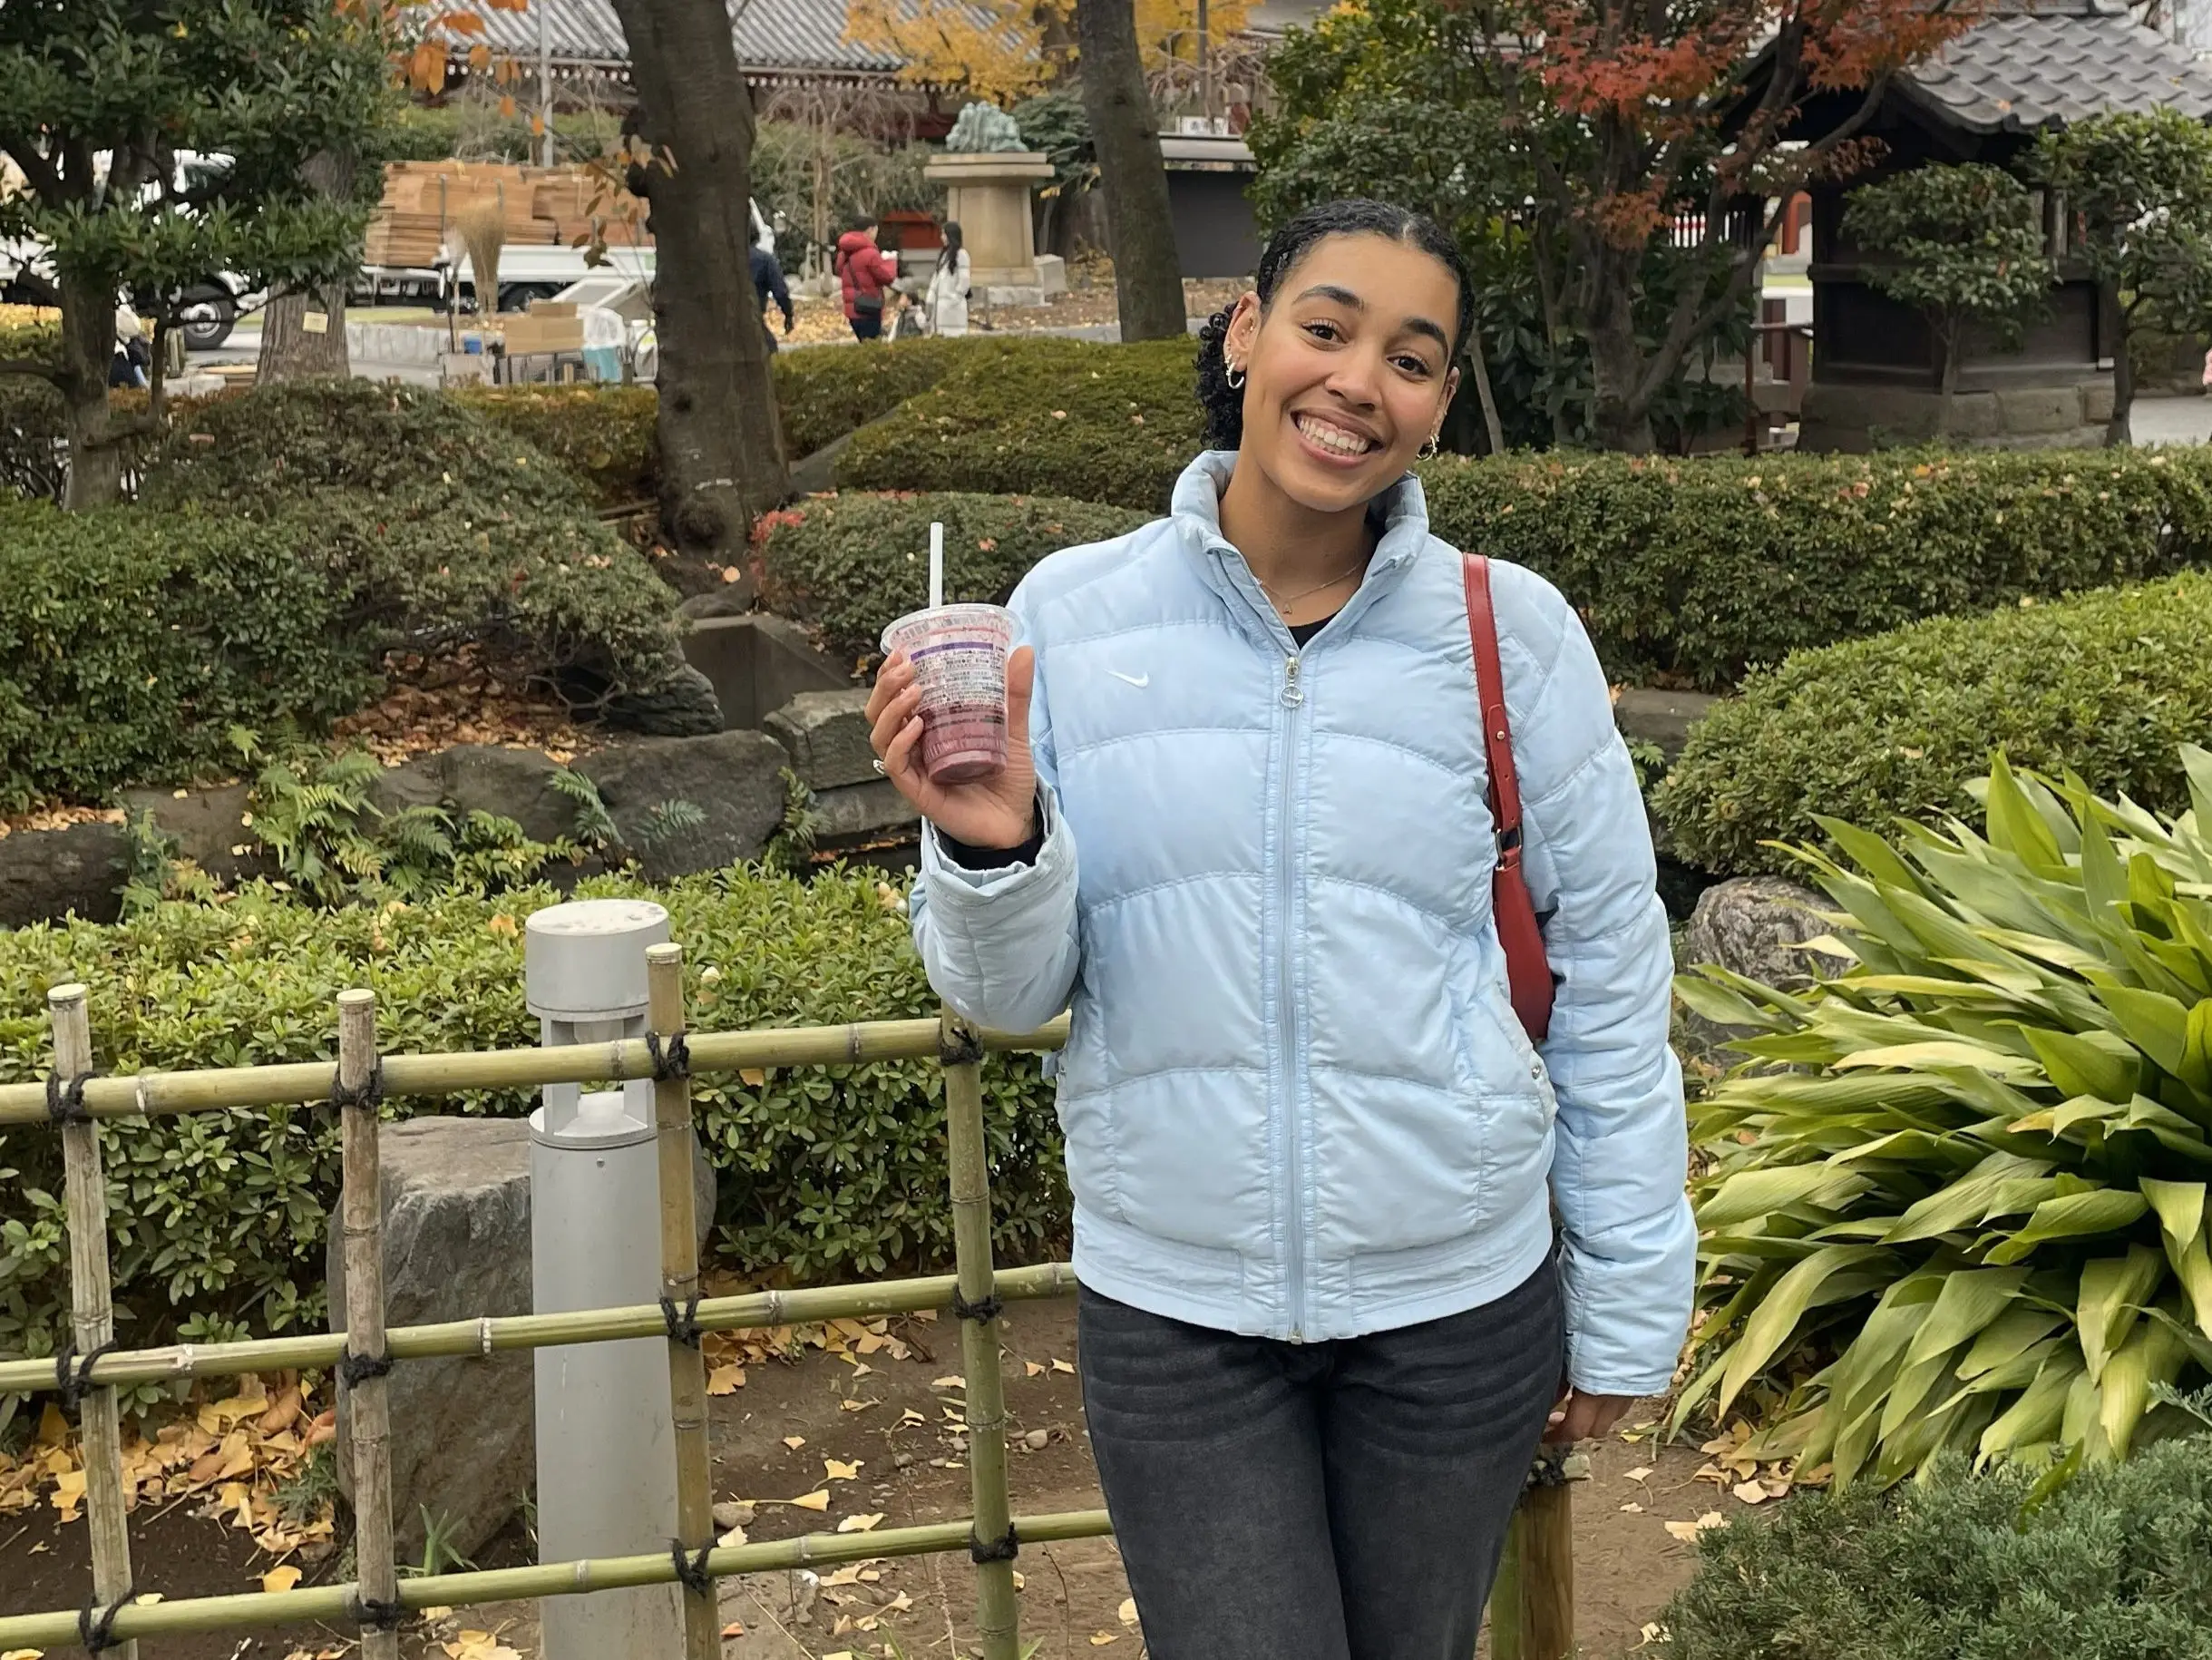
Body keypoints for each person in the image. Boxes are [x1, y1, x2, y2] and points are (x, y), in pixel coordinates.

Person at [866, 199, 1693, 1660]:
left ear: (1438, 405)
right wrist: (984, 844)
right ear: (1244, 334)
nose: (1356, 381)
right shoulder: (1072, 612)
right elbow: (1004, 994)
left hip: (1455, 1301)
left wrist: (1626, 1297)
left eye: (1410, 357)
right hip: (1180, 1314)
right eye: (1324, 326)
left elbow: (1612, 975)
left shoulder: (1509, 635)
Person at [833, 220, 898, 343]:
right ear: (870, 230)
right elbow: (886, 277)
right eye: (876, 231)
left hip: (852, 308)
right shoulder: (870, 253)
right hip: (869, 306)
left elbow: (839, 270)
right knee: (872, 347)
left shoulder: (844, 252)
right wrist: (891, 261)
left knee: (863, 343)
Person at [921, 220, 971, 337]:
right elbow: (936, 280)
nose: (942, 237)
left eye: (944, 234)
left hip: (953, 308)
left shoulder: (961, 254)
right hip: (940, 309)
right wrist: (931, 298)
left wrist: (953, 299)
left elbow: (964, 281)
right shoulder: (944, 256)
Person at [750, 242, 794, 352]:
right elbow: (780, 292)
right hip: (752, 316)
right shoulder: (764, 260)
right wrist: (788, 314)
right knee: (769, 351)